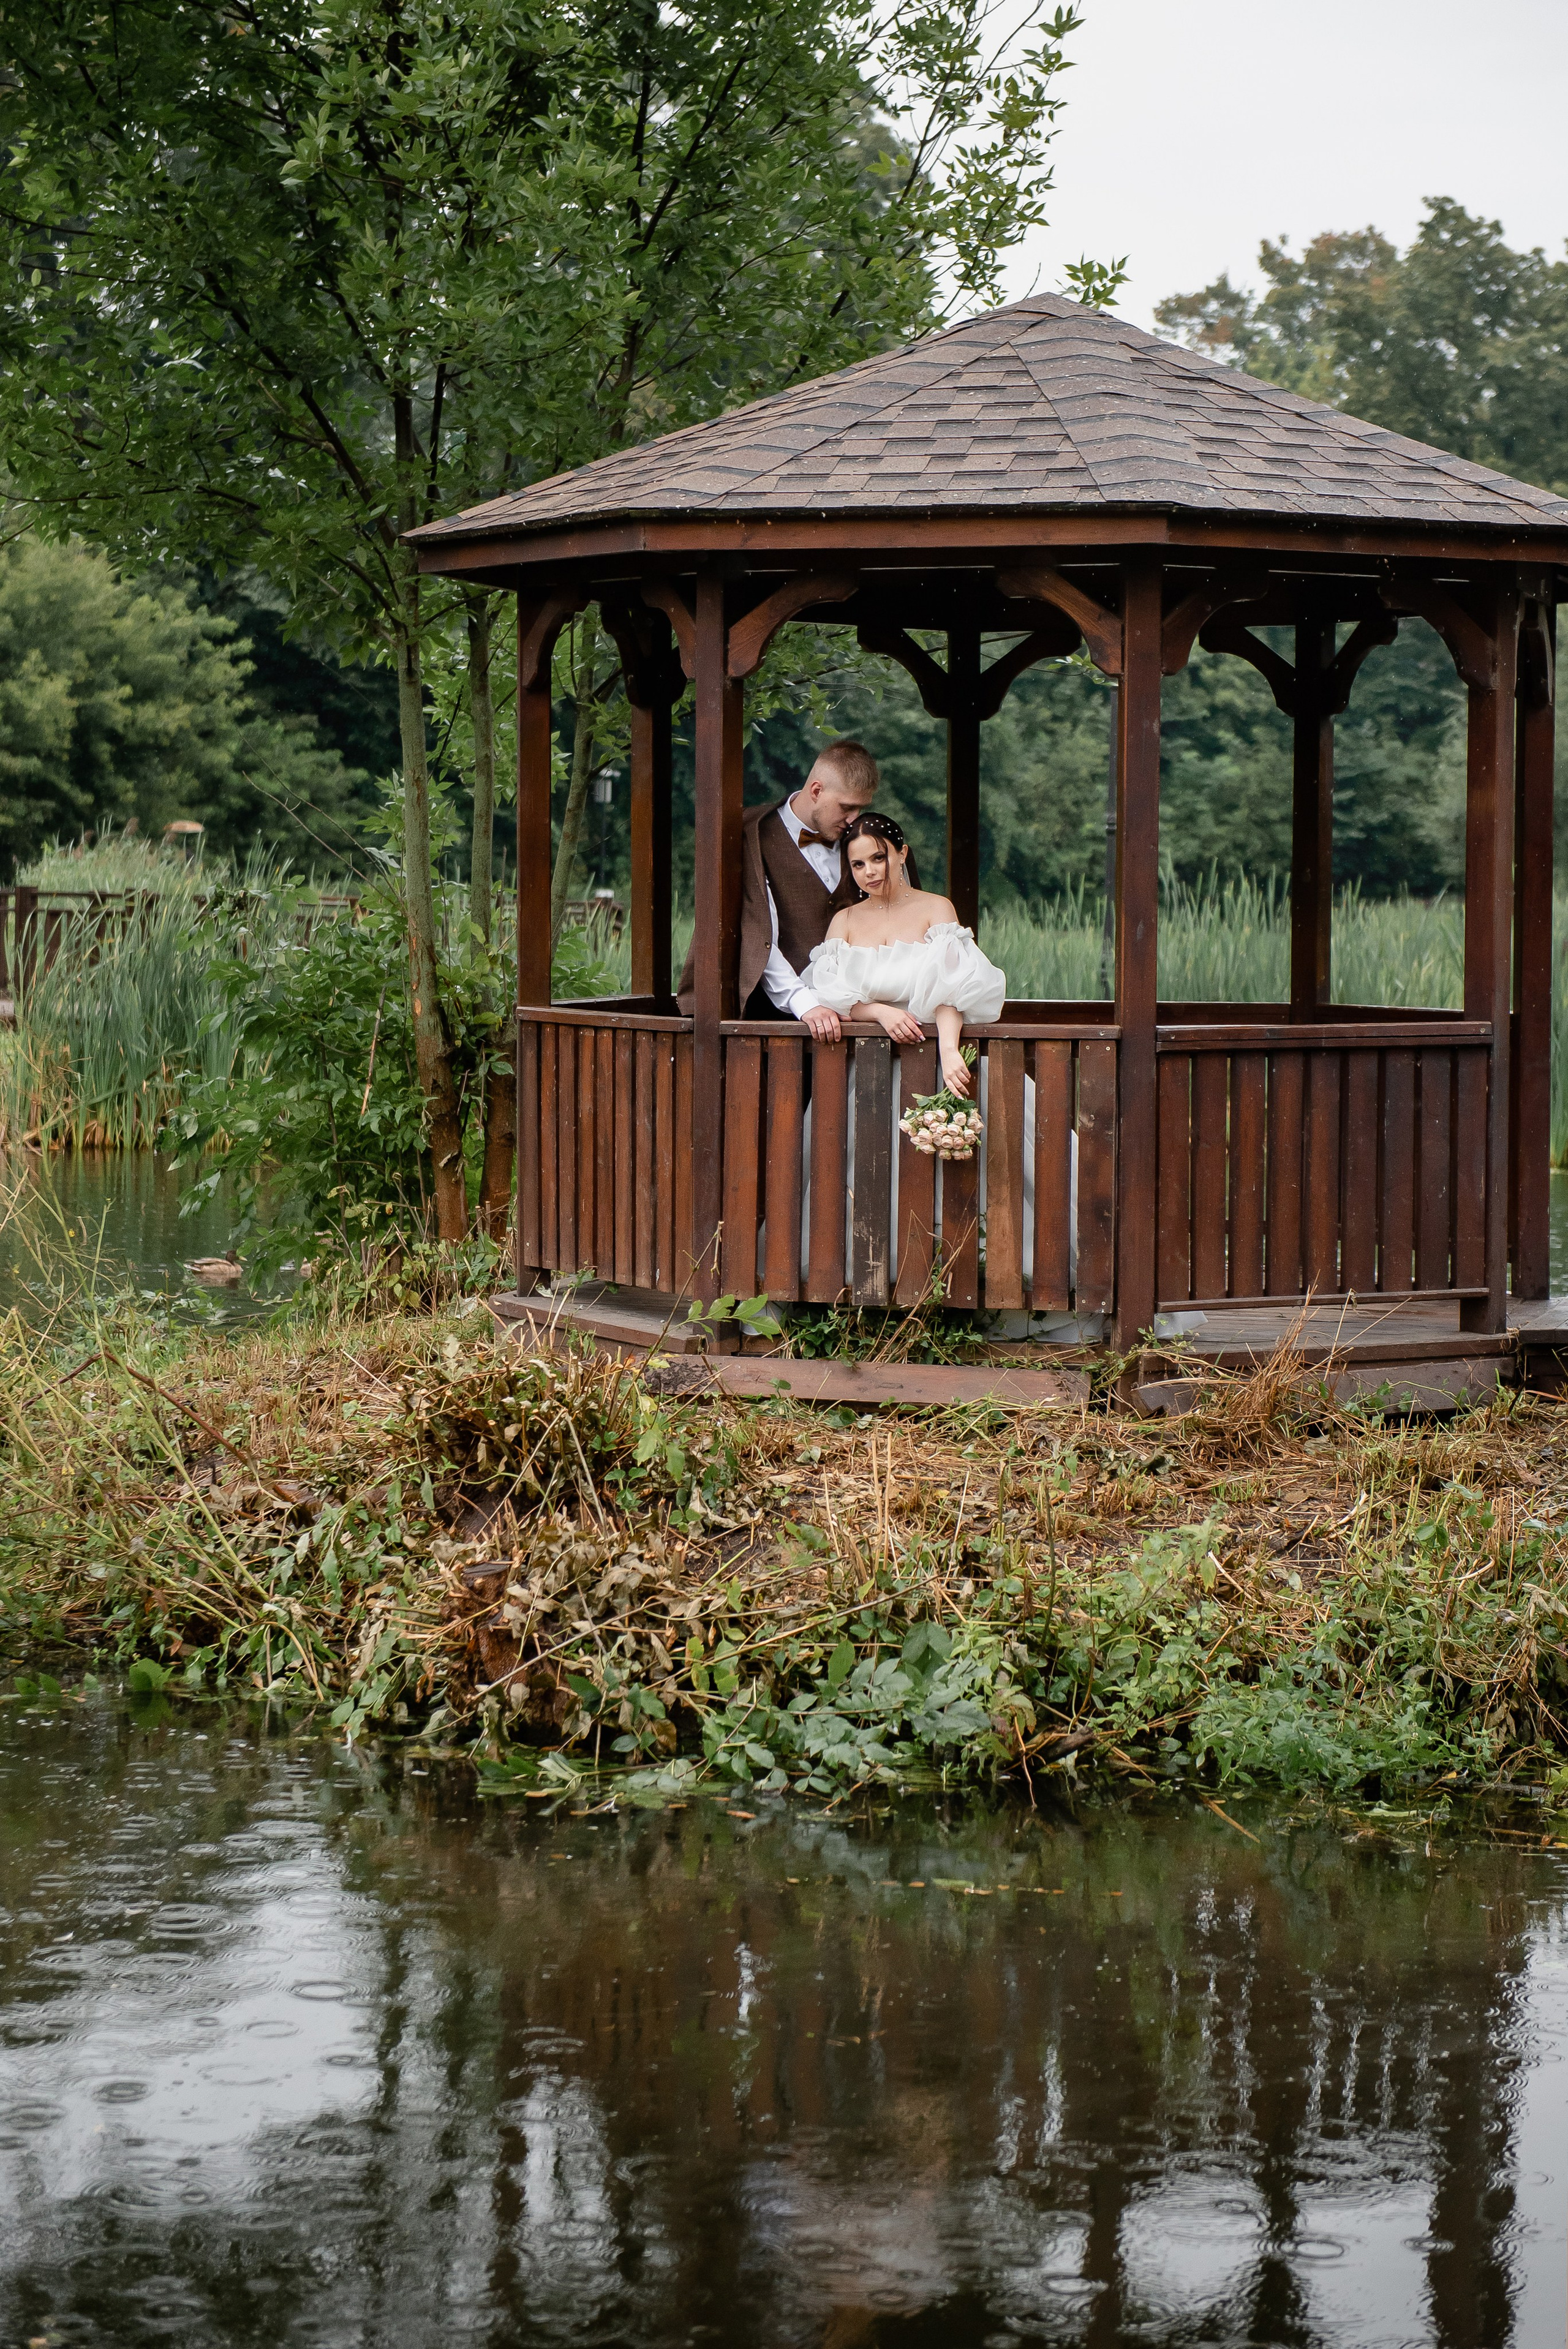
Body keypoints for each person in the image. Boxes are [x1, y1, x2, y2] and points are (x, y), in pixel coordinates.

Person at [675, 740, 878, 1025]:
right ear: (817, 791)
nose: (853, 819)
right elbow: (758, 933)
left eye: (860, 809)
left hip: (858, 1021)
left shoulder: (863, 839)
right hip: (776, 1022)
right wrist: (804, 1004)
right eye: (847, 807)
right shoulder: (751, 834)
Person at [802, 812, 1006, 1090]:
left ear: (902, 854)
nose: (869, 872)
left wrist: (948, 1051)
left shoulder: (937, 908)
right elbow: (833, 998)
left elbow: (952, 992)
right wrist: (880, 1013)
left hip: (932, 1052)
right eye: (858, 864)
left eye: (878, 858)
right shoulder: (844, 920)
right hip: (867, 1065)